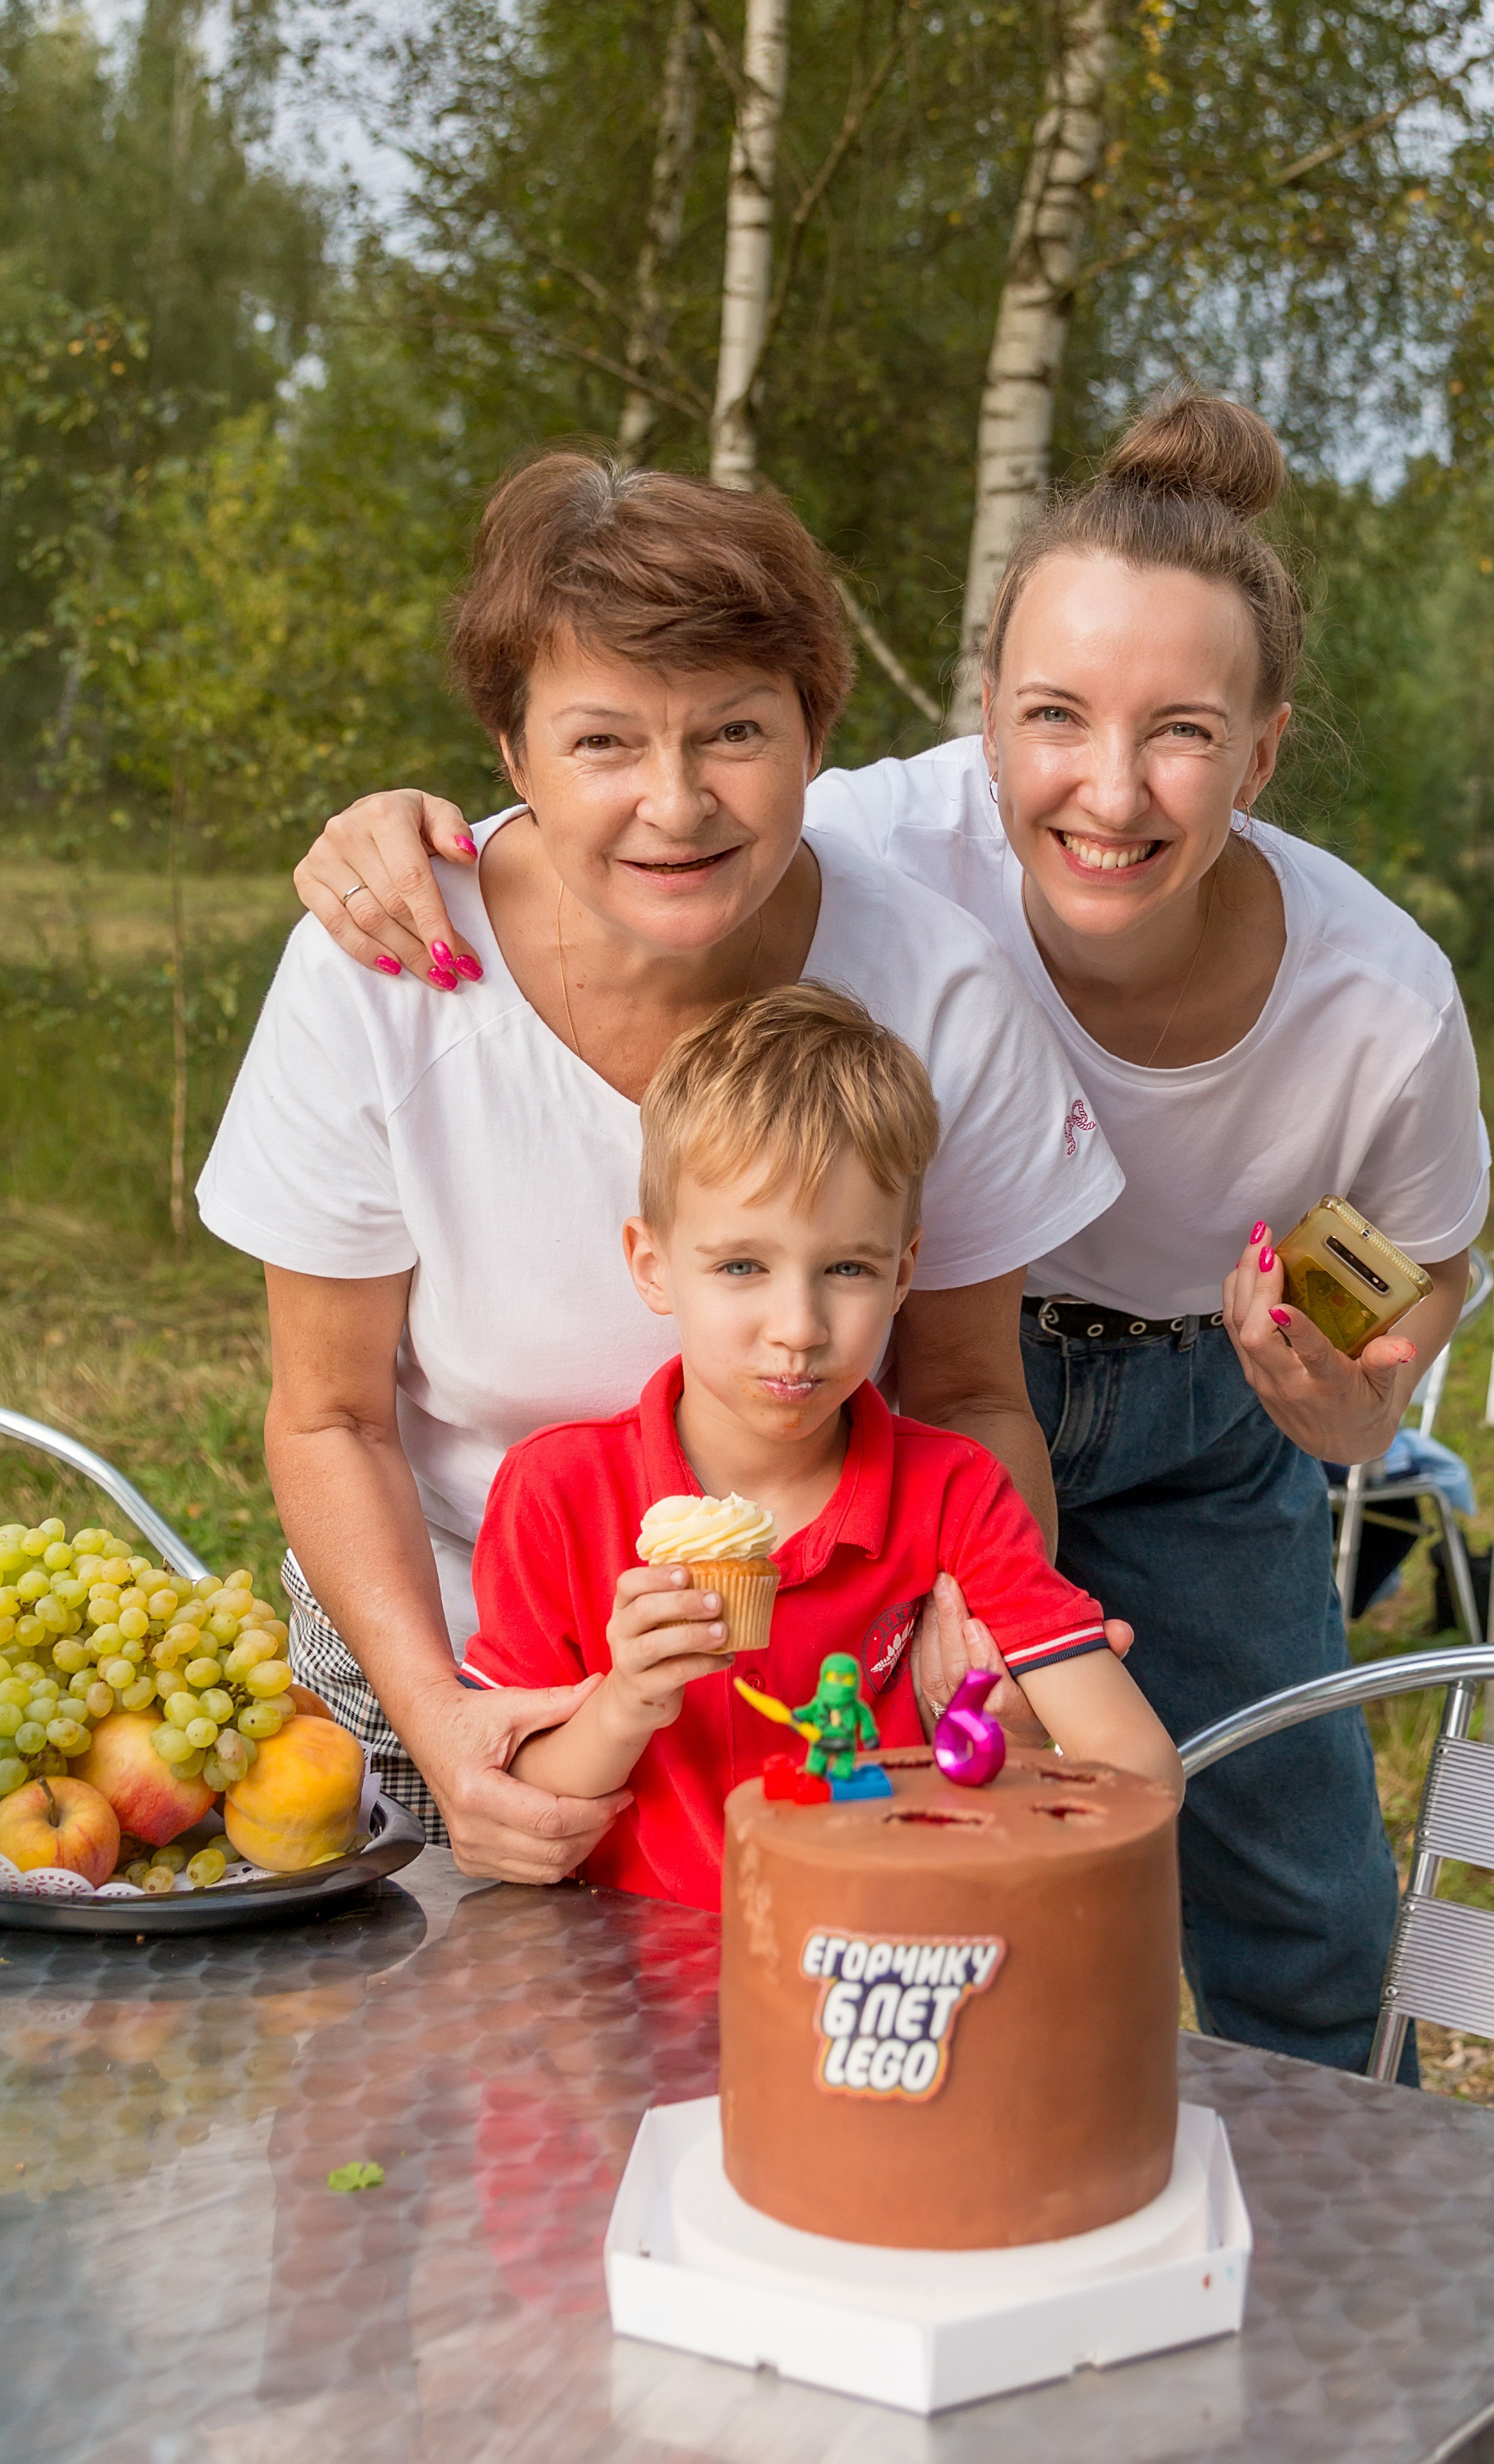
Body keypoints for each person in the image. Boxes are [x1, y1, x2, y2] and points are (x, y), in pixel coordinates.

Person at [292, 393, 1488, 2079]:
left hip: (1137, 1416)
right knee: (559, 1997)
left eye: (1186, 734)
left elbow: (1381, 1283)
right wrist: (384, 828)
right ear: (980, 726)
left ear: (1264, 749)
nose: (1112, 787)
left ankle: (1319, 2244)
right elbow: (614, 779)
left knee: (1291, 1898)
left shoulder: (1344, 1000)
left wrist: (1334, 1415)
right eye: (1058, 719)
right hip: (709, 1484)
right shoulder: (791, 843)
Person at [196, 453, 1124, 1880]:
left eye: (733, 733)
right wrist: (450, 1728)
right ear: (509, 757)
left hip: (803, 1691)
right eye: (602, 743)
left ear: (816, 734)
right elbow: (330, 1422)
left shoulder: (935, 989)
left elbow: (967, 1395)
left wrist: (971, 1619)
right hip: (429, 1648)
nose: (676, 804)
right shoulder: (382, 974)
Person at [462, 985, 1177, 1908]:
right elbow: (523, 1811)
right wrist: (627, 1701)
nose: (797, 1328)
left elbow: (1137, 1763)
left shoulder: (954, 1493)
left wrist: (1013, 1754)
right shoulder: (559, 1492)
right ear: (653, 1266)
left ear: (904, 1273)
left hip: (883, 1978)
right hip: (631, 1997)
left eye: (847, 1268)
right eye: (741, 1267)